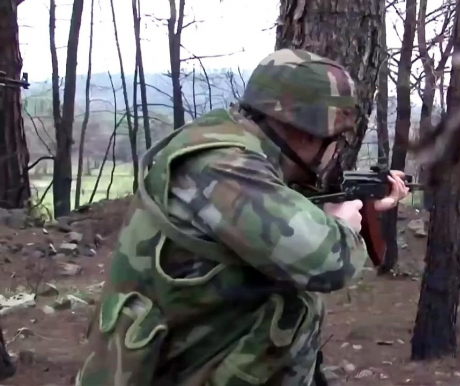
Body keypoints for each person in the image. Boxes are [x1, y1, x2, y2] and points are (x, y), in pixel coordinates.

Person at [75, 48, 409, 386]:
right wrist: (344, 223)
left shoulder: (231, 143)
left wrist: (354, 203)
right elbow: (329, 262)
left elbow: (269, 214)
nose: (336, 152)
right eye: (336, 141)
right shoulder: (224, 166)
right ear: (310, 135)